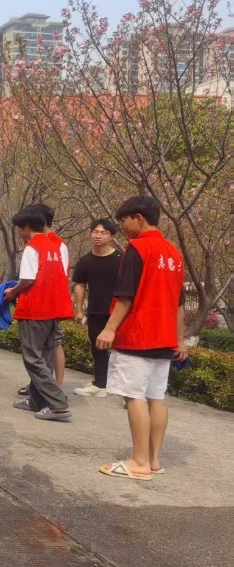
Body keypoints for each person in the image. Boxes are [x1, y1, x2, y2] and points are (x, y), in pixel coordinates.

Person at [96, 196, 187, 481]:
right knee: (156, 397)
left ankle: (138, 462)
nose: (122, 226)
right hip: (165, 338)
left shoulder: (137, 249)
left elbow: (125, 296)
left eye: (124, 221)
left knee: (134, 397)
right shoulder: (174, 253)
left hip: (137, 336)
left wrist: (110, 328)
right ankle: (154, 460)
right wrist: (180, 340)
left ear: (139, 218)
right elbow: (179, 304)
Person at [5, 208, 76, 421]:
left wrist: (12, 291)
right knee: (44, 357)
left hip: (34, 309)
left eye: (20, 229)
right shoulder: (55, 246)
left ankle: (57, 403)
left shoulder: (32, 247)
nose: (19, 233)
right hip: (52, 310)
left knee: (33, 359)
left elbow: (28, 279)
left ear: (27, 227)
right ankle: (37, 401)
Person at [17, 203, 69, 394]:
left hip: (48, 305)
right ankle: (40, 389)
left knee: (53, 344)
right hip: (39, 305)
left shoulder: (57, 244)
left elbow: (60, 275)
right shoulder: (38, 243)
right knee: (40, 351)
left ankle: (55, 388)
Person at [72, 219, 123, 397]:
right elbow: (80, 285)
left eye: (103, 233)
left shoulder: (121, 259)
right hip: (95, 311)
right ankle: (100, 385)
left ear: (111, 236)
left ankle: (125, 391)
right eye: (95, 232)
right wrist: (79, 310)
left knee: (122, 351)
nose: (98, 236)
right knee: (98, 349)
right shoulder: (85, 261)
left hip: (118, 312)